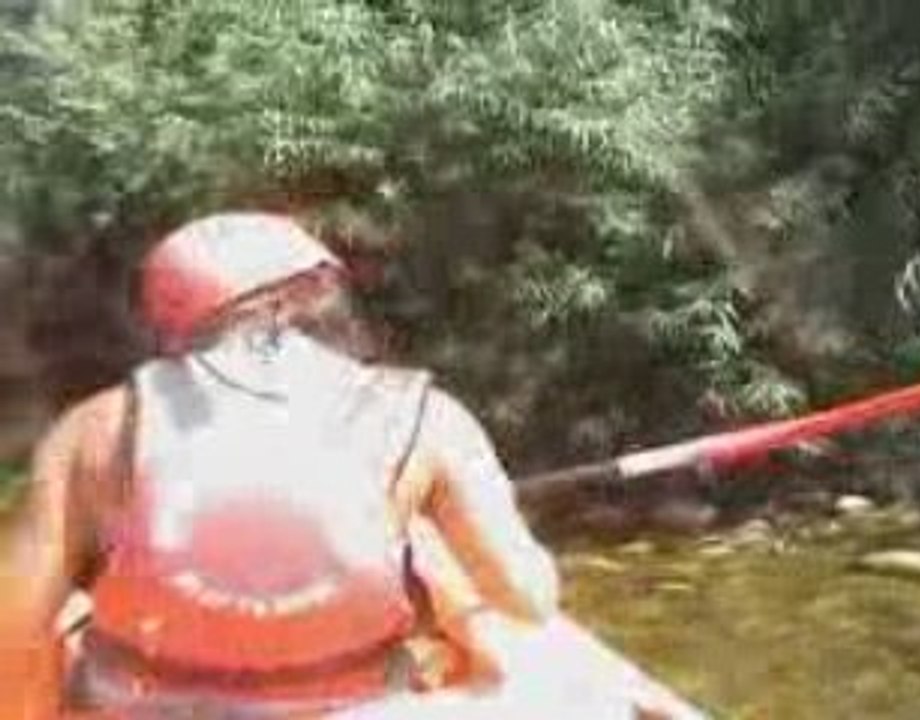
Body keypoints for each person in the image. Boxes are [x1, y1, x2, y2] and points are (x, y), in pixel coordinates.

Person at [0, 213, 665, 719]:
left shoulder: (90, 432)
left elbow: (13, 628)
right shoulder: (428, 417)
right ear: (309, 301)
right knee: (528, 661)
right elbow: (527, 597)